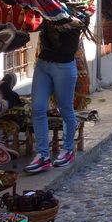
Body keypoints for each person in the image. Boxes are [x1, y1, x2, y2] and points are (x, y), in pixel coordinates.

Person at [24, 19, 88, 173]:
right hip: (43, 64)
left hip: (64, 66)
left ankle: (67, 151)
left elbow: (76, 25)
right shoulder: (46, 7)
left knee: (65, 109)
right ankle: (42, 155)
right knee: (38, 108)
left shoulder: (78, 12)